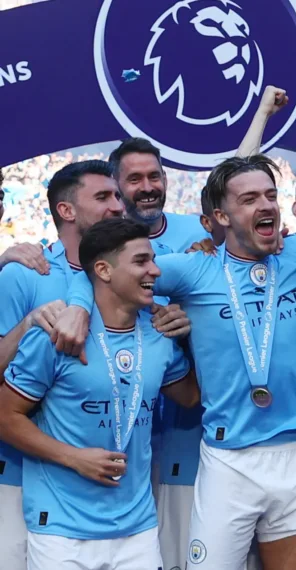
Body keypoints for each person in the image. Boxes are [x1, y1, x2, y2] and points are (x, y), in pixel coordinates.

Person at [53, 152, 296, 570]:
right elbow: (102, 269)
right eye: (251, 198)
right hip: (226, 456)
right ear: (219, 216)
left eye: (272, 195)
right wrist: (77, 306)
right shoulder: (194, 268)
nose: (266, 204)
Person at [0, 218, 199, 570]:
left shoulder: (158, 336)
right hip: (62, 529)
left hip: (137, 527)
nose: (155, 269)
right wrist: (74, 458)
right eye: (141, 261)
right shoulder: (58, 335)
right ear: (104, 270)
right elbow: (4, 415)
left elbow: (191, 396)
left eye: (153, 259)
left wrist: (193, 333)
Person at [0, 160, 126, 570]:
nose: (117, 206)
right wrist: (29, 324)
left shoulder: (129, 277)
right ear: (66, 211)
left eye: (117, 196)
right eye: (103, 197)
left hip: (114, 487)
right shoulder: (24, 274)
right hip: (20, 481)